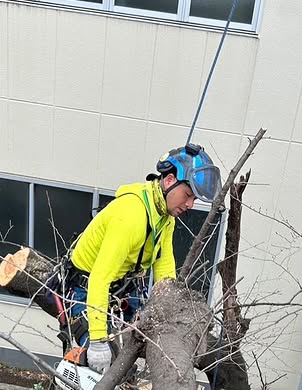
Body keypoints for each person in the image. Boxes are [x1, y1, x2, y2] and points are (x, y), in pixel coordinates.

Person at [49, 144, 221, 373]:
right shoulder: (130, 215)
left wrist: (168, 309)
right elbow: (100, 278)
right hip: (86, 286)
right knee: (104, 359)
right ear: (169, 181)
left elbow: (165, 265)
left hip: (123, 288)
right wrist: (99, 340)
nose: (189, 204)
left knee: (143, 338)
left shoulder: (164, 216)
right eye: (188, 195)